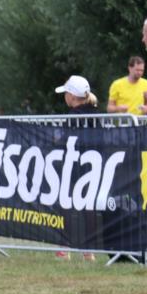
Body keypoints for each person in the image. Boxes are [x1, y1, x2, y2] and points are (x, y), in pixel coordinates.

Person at [54, 75, 98, 262]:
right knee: (88, 207)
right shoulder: (97, 113)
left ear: (71, 96)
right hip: (93, 164)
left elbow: (64, 139)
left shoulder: (73, 115)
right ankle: (89, 251)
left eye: (66, 93)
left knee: (65, 204)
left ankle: (65, 248)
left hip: (74, 165)